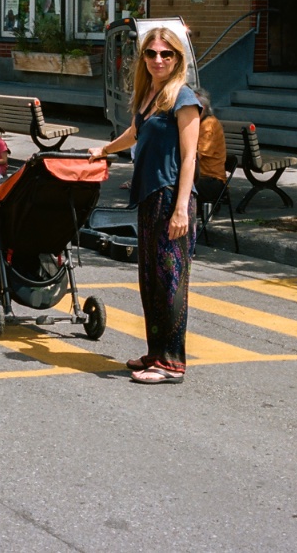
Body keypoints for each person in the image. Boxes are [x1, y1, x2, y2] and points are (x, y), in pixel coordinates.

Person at [90, 26, 203, 384]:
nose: (158, 59)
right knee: (151, 279)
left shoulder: (184, 99)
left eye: (165, 54)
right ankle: (156, 353)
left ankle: (171, 363)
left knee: (171, 281)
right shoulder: (151, 94)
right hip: (150, 196)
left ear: (177, 59)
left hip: (172, 196)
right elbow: (135, 132)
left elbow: (189, 159)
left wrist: (182, 207)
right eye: (151, 53)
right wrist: (104, 150)